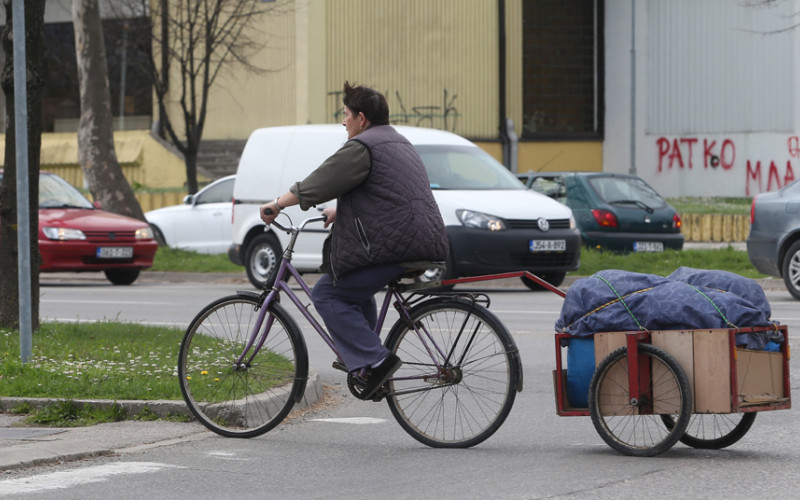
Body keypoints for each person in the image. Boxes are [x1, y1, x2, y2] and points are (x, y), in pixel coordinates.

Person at [260, 82, 449, 400]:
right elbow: (385, 193)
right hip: (421, 239)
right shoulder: (398, 142)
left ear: (362, 118)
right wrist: (341, 209)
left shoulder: (363, 146)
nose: (343, 121)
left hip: (396, 245)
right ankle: (366, 367)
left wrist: (277, 204)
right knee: (355, 291)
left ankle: (375, 361)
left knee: (328, 294)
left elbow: (321, 181)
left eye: (346, 114)